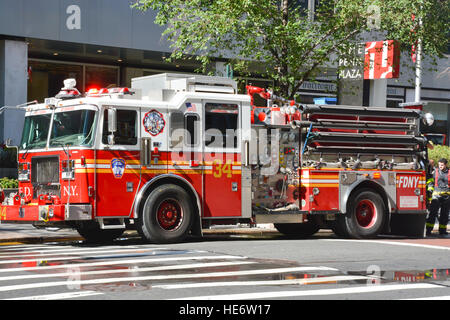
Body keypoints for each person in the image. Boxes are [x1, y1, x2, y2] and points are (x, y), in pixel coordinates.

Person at [426, 158, 450, 237]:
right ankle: (428, 230)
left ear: (445, 165)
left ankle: (442, 231)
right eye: (439, 165)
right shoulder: (435, 172)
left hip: (446, 197)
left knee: (444, 215)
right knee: (432, 213)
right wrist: (430, 190)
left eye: (442, 165)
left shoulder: (449, 172)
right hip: (436, 197)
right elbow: (430, 181)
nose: (440, 166)